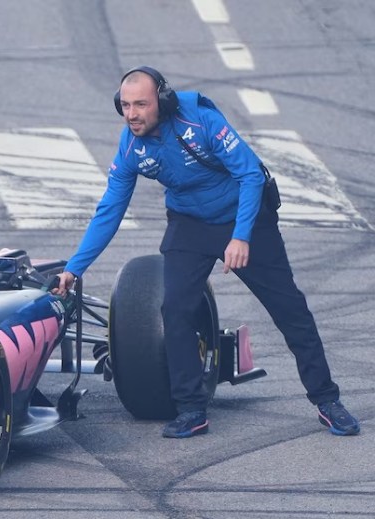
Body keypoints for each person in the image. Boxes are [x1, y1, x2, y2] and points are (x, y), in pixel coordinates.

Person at [52, 66, 360, 438]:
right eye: (125, 105)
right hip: (190, 223)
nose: (131, 114)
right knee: (175, 308)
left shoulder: (202, 122)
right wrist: (75, 267)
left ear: (162, 101)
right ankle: (191, 409)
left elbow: (250, 175)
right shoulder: (130, 146)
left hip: (245, 217)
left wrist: (241, 236)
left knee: (290, 310)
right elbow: (110, 209)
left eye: (141, 105)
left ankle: (327, 400)